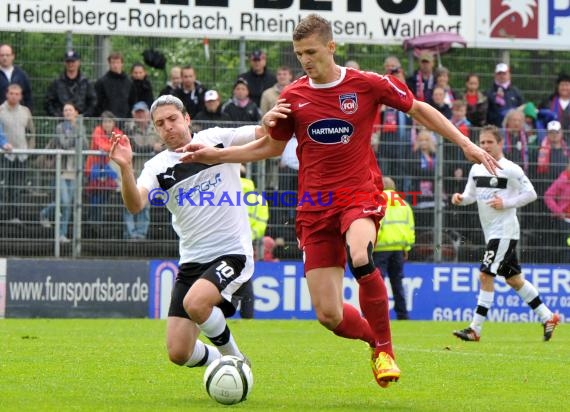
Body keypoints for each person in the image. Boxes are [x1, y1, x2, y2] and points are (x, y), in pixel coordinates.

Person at [178, 13, 499, 388]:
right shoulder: (293, 97)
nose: (306, 60)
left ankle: (385, 351)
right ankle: (372, 340)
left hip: (358, 194)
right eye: (299, 54)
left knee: (360, 254)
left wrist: (466, 144)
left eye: (311, 51)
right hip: (314, 207)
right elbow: (269, 146)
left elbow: (419, 108)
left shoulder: (366, 84)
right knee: (328, 314)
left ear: (331, 47)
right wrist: (215, 155)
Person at [108, 94, 267, 374]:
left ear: (187, 119)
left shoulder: (217, 139)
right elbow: (135, 205)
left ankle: (237, 360)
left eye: (172, 119)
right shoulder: (157, 167)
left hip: (232, 253)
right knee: (179, 352)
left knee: (196, 303)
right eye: (160, 123)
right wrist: (125, 169)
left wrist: (271, 118)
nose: (168, 126)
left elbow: (262, 132)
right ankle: (221, 365)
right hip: (192, 261)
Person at [451, 125, 560, 342]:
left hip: (504, 232)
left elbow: (531, 194)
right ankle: (548, 316)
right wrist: (461, 199)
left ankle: (475, 329)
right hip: (491, 232)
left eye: (490, 142)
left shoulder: (510, 169)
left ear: (500, 143)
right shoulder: (476, 169)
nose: (485, 146)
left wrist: (507, 203)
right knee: (514, 280)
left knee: (485, 275)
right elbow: (471, 195)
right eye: (482, 142)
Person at [39, 102, 88, 242]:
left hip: (75, 171)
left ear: (76, 113)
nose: (67, 112)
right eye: (65, 110)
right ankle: (44, 213)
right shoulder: (59, 127)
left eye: (70, 110)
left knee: (68, 205)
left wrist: (77, 132)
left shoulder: (81, 127)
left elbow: (84, 145)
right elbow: (64, 144)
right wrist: (76, 134)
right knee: (64, 201)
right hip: (61, 170)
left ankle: (62, 234)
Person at [372, 177, 415, 320]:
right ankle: (403, 314)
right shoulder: (404, 205)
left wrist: (370, 244)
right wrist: (406, 247)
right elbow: (410, 229)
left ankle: (376, 314)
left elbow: (376, 226)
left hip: (380, 249)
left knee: (377, 283)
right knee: (397, 282)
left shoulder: (377, 202)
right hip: (398, 249)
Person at [122, 101, 163, 240]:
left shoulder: (156, 128)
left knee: (145, 204)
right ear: (133, 114)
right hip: (132, 171)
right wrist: (152, 148)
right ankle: (130, 233)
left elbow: (162, 146)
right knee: (129, 203)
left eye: (142, 112)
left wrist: (156, 148)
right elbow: (133, 148)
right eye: (137, 112)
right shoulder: (128, 128)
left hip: (150, 173)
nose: (140, 115)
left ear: (147, 114)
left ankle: (141, 233)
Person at [0, 83, 35, 223]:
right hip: (4, 154)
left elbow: (32, 131)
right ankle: (5, 214)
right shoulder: (1, 110)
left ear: (20, 96)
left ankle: (15, 215)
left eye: (17, 94)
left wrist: (30, 149)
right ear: (6, 94)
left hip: (21, 154)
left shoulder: (25, 111)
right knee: (5, 184)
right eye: (11, 93)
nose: (14, 96)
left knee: (18, 185)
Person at [45, 50, 97, 118]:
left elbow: (93, 102)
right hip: (60, 121)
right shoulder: (56, 83)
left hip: (81, 122)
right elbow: (48, 102)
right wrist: (58, 115)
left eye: (73, 61)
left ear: (78, 62)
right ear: (64, 63)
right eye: (68, 62)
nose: (70, 64)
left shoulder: (86, 83)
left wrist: (83, 116)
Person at [94, 52, 132, 119]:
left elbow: (132, 101)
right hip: (107, 120)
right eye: (113, 62)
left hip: (124, 119)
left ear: (122, 64)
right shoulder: (101, 82)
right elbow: (98, 103)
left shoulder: (129, 82)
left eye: (118, 62)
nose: (115, 65)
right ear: (109, 64)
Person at [486, 63, 524, 127]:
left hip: (516, 126)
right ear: (495, 75)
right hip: (496, 127)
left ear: (509, 75)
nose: (502, 76)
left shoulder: (515, 91)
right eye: (499, 73)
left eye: (504, 73)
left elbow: (522, 106)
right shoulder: (489, 92)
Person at [0, 44, 33, 110]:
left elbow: (28, 96)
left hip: (19, 116)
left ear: (13, 56)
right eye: (2, 55)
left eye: (7, 55)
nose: (5, 58)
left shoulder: (21, 75)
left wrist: (28, 112)